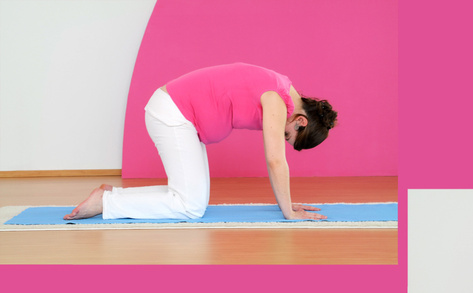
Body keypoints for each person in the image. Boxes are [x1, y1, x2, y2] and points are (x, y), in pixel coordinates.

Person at [64, 63, 337, 221]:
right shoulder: (277, 99)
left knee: (193, 200)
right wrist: (288, 211)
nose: (282, 135)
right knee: (190, 207)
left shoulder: (281, 88)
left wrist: (286, 204)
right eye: (288, 135)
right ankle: (107, 204)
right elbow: (275, 158)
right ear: (300, 121)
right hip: (173, 114)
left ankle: (111, 196)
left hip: (180, 115)